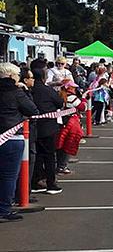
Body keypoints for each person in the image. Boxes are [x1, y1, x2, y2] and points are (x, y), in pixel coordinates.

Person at [0, 63, 39, 221]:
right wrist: (25, 90)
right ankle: (4, 209)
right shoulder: (16, 92)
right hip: (12, 137)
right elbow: (32, 110)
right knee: (9, 176)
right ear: (11, 76)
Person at [30, 59, 63, 195]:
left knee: (35, 156)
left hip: (32, 128)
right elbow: (60, 103)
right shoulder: (47, 90)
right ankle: (50, 183)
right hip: (48, 128)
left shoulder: (29, 91)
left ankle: (35, 182)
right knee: (49, 156)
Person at [55, 79, 86, 174]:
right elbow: (82, 107)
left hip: (61, 121)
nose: (74, 89)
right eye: (73, 87)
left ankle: (59, 164)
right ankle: (62, 165)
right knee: (69, 143)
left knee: (60, 143)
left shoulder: (58, 95)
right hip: (71, 122)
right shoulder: (72, 97)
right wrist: (84, 99)